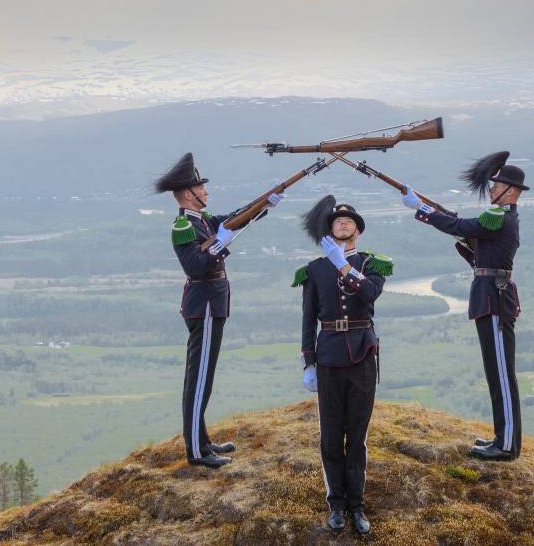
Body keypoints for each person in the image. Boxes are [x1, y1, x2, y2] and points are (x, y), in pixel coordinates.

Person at [154, 152, 282, 468]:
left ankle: (203, 441)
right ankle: (196, 451)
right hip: (205, 306)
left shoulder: (202, 221)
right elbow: (196, 267)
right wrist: (219, 243)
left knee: (203, 378)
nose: (207, 192)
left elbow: (232, 219)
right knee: (199, 380)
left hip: (212, 304)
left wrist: (265, 203)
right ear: (189, 194)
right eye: (202, 188)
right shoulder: (184, 226)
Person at [400, 151, 526, 461]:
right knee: (494, 373)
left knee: (501, 373)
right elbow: (480, 250)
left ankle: (508, 445)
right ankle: (501, 436)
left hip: (494, 299)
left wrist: (424, 209)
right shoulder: (499, 218)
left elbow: (458, 225)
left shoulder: (500, 217)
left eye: (497, 186)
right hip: (487, 296)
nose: (492, 189)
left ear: (511, 191)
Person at [294, 196, 392, 535]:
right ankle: (336, 504)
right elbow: (308, 321)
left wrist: (344, 266)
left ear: (358, 231)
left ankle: (357, 505)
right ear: (330, 231)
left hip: (363, 355)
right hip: (329, 358)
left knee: (358, 436)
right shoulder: (315, 270)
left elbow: (369, 295)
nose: (344, 222)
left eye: (350, 220)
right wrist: (309, 362)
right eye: (338, 221)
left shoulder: (372, 264)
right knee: (331, 437)